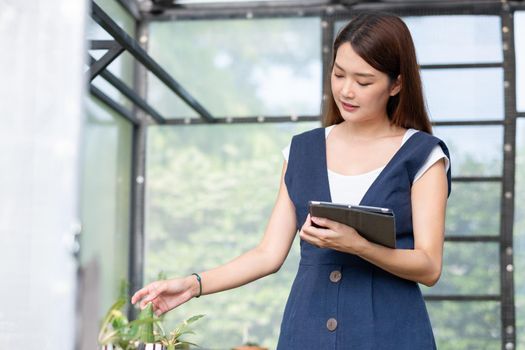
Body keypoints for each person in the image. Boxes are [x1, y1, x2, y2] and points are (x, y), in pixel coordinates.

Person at [132, 12, 451, 349]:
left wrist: (358, 245)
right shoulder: (302, 151)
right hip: (306, 331)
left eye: (364, 81)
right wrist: (193, 285)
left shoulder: (423, 156)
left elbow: (429, 266)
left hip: (391, 334)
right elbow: (268, 253)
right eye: (339, 74)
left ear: (396, 84)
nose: (346, 90)